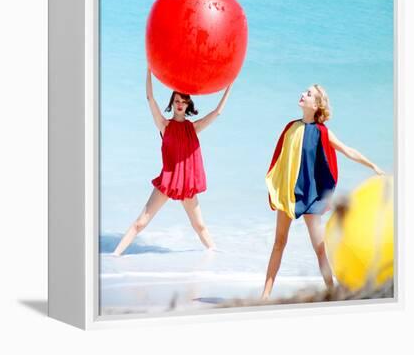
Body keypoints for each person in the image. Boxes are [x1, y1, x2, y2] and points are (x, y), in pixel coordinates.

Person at [261, 84, 384, 299]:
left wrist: (372, 165)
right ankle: (265, 295)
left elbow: (347, 150)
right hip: (289, 196)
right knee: (279, 243)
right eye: (304, 92)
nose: (302, 94)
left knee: (319, 248)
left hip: (310, 196)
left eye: (308, 94)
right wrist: (277, 188)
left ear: (317, 105)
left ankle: (332, 291)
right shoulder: (291, 127)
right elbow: (282, 161)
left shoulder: (322, 131)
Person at [112, 68, 232, 256]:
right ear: (172, 103)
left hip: (186, 184)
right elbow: (150, 99)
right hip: (168, 181)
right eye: (177, 101)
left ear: (188, 105)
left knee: (200, 225)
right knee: (141, 222)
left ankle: (216, 256)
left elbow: (217, 112)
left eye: (184, 102)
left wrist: (229, 85)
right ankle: (114, 255)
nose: (180, 104)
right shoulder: (164, 125)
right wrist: (149, 70)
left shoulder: (193, 127)